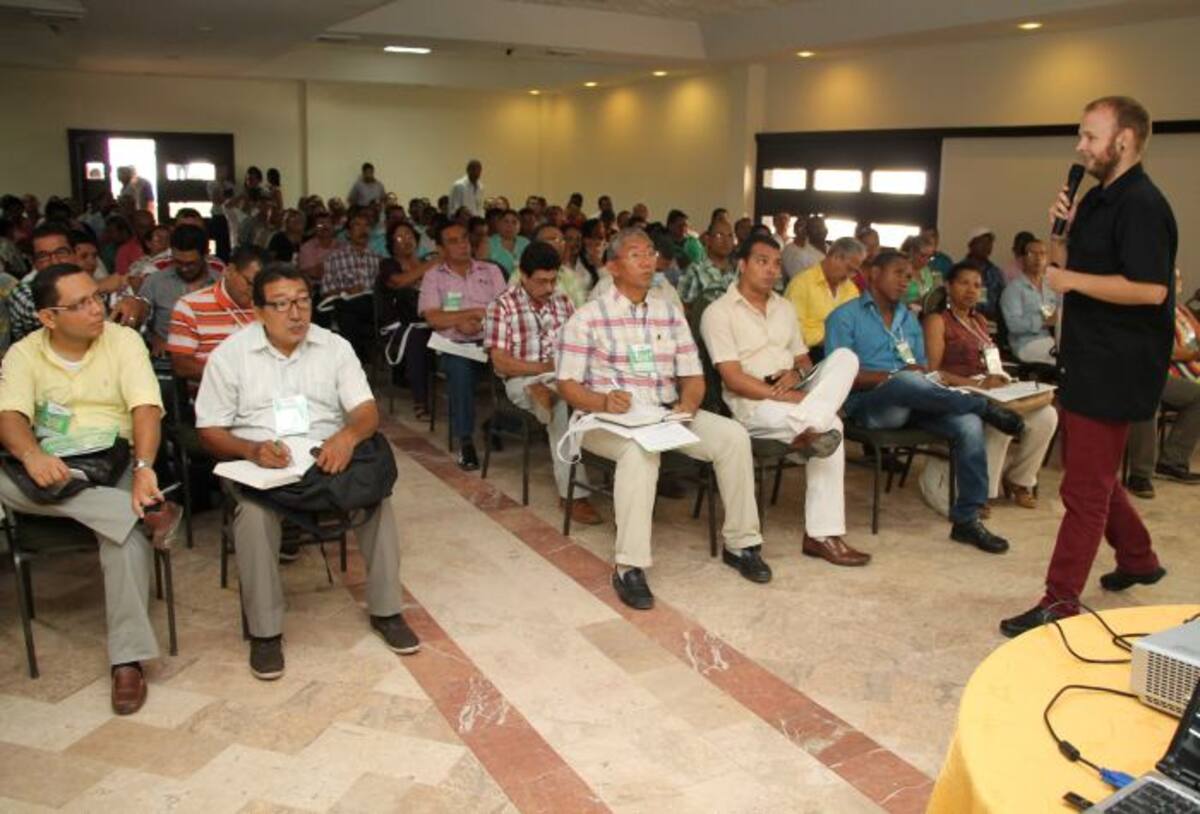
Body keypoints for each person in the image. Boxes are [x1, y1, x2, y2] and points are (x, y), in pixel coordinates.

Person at [1001, 96, 1175, 637]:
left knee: (1082, 489)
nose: (1081, 146)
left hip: (1117, 363)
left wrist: (1071, 281)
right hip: (1084, 353)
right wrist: (1060, 231)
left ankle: (1060, 601)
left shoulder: (1144, 204)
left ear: (1124, 140)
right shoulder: (1098, 200)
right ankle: (1139, 558)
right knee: (1094, 474)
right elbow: (1061, 268)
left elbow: (1151, 289)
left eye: (1090, 136)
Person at [195, 264, 418, 679]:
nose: (296, 314)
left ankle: (387, 611)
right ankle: (265, 633)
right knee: (255, 516)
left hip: (324, 453)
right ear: (259, 311)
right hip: (261, 460)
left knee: (376, 500)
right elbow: (208, 429)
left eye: (302, 302)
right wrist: (251, 449)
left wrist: (347, 438)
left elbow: (366, 412)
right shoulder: (231, 355)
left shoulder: (334, 347)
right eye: (281, 305)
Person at [557, 227, 773, 610]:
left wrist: (687, 407)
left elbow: (692, 376)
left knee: (733, 436)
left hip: (663, 414)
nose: (647, 261)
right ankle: (630, 567)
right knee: (639, 454)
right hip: (602, 421)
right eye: (635, 255)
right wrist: (602, 401)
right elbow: (568, 385)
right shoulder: (588, 317)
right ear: (612, 266)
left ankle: (742, 544)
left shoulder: (669, 313)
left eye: (651, 253)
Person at [0, 263, 182, 714]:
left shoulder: (122, 341)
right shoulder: (24, 354)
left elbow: (145, 407)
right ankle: (142, 513)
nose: (96, 309)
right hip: (49, 468)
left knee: (123, 545)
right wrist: (32, 455)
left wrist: (143, 467)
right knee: (127, 518)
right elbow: (9, 418)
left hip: (109, 461)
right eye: (79, 304)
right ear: (48, 317)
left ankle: (128, 661)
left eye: (96, 298)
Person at [825, 250, 1025, 553]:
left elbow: (921, 368)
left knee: (968, 425)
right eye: (898, 273)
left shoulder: (908, 319)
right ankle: (982, 406)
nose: (905, 281)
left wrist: (910, 375)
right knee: (905, 380)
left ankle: (967, 520)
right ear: (874, 274)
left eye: (908, 276)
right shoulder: (844, 316)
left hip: (915, 400)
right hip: (869, 406)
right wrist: (893, 377)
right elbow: (839, 377)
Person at [701, 235, 868, 566]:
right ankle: (822, 536)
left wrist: (797, 376)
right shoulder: (718, 313)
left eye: (777, 263)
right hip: (754, 408)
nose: (772, 270)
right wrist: (791, 397)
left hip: (797, 396)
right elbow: (733, 378)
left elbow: (804, 361)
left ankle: (811, 424)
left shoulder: (784, 308)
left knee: (846, 358)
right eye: (762, 261)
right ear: (743, 265)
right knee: (832, 424)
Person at [925, 261, 1058, 510]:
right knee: (1000, 421)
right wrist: (979, 384)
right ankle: (982, 492)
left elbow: (989, 360)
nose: (971, 290)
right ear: (948, 286)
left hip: (992, 388)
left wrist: (1001, 380)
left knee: (1047, 416)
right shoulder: (938, 320)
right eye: (964, 283)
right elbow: (933, 372)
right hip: (961, 391)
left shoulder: (980, 321)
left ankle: (1019, 479)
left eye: (976, 285)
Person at [484, 240, 599, 524]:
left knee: (578, 391)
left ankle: (546, 392)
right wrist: (543, 368)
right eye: (540, 281)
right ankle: (573, 495)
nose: (548, 288)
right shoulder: (501, 306)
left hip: (562, 376)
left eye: (552, 280)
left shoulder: (563, 302)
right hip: (520, 379)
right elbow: (500, 362)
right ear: (522, 275)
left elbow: (580, 344)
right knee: (561, 404)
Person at [417, 221, 507, 470]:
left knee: (514, 363)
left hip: (490, 342)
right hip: (455, 345)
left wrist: (480, 323)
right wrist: (467, 318)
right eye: (453, 241)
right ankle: (465, 440)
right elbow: (433, 318)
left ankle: (497, 423)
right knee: (459, 369)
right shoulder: (433, 276)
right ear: (441, 248)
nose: (462, 245)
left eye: (465, 238)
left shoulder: (491, 271)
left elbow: (504, 311)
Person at [1124, 271, 1200, 496]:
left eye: (1177, 277)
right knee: (1147, 395)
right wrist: (1193, 354)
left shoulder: (1181, 311)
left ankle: (1173, 460)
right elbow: (1162, 350)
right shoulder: (1145, 309)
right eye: (1169, 276)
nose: (1175, 281)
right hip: (1139, 371)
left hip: (1171, 374)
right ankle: (1140, 474)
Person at [166, 245, 261, 382]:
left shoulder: (268, 305)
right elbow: (182, 365)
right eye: (249, 283)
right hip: (213, 394)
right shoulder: (189, 306)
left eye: (260, 285)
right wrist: (234, 379)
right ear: (229, 271)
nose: (253, 291)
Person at [376, 221, 433, 420]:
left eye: (409, 235)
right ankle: (421, 401)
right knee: (416, 337)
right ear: (391, 243)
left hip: (431, 318)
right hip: (399, 326)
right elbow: (398, 282)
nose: (405, 240)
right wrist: (432, 264)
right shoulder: (388, 265)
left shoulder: (427, 262)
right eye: (399, 237)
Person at [138, 224, 220, 353]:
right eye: (178, 262)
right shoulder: (155, 282)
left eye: (191, 263)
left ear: (205, 255)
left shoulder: (221, 284)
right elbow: (139, 321)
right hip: (166, 358)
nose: (184, 268)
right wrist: (153, 338)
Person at [783, 237, 864, 362]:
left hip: (842, 350)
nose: (851, 276)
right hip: (807, 353)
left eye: (855, 272)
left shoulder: (850, 288)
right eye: (849, 269)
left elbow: (857, 325)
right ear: (835, 257)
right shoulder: (802, 283)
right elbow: (793, 330)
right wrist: (830, 338)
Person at [321, 208, 380, 363]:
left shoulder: (376, 258)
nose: (363, 230)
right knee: (346, 311)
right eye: (357, 226)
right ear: (347, 233)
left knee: (350, 311)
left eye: (366, 226)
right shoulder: (334, 258)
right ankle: (356, 359)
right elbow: (326, 293)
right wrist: (345, 290)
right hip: (348, 304)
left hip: (373, 306)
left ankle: (355, 359)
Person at [999, 236, 1059, 364]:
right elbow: (1013, 325)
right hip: (1026, 344)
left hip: (1051, 340)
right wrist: (1043, 322)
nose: (1038, 258)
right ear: (1022, 259)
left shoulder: (1051, 286)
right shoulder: (1013, 289)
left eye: (1042, 253)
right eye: (1032, 254)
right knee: (1063, 359)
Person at [677, 219, 737, 307]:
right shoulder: (695, 270)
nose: (726, 241)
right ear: (708, 240)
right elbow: (684, 308)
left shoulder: (740, 271)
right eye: (719, 235)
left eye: (730, 236)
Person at [960, 228, 1005, 318]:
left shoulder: (995, 272)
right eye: (982, 242)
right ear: (971, 245)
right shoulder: (959, 270)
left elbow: (1002, 299)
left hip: (991, 323)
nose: (986, 246)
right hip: (964, 319)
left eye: (989, 243)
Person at [487, 209, 529, 279]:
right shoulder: (488, 243)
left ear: (519, 226)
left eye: (514, 222)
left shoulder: (525, 243)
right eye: (506, 222)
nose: (509, 226)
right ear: (498, 224)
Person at [781, 214, 823, 283]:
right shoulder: (788, 250)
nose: (802, 229)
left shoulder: (814, 247)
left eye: (805, 226)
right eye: (799, 225)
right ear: (794, 230)